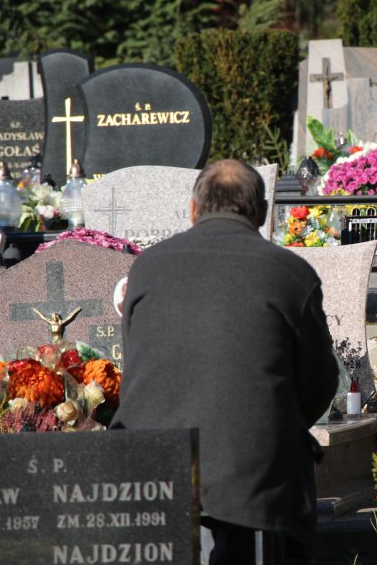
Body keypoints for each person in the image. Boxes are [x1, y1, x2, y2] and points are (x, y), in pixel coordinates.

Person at [111, 159, 339, 564]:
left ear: (193, 209)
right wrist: (270, 422)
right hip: (253, 477)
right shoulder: (291, 273)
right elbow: (318, 385)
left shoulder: (147, 267)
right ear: (262, 213)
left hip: (152, 472)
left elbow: (137, 365)